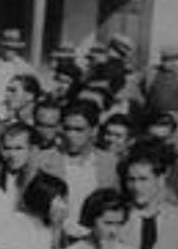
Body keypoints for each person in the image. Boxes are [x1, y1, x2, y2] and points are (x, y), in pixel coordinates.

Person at [34, 100, 119, 240]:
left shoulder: (109, 162)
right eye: (67, 129)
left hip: (94, 242)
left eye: (79, 129)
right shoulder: (43, 160)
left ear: (94, 130)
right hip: (54, 238)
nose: (71, 135)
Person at [0, 123, 41, 207]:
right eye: (7, 148)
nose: (12, 154)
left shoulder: (46, 184)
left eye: (18, 148)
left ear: (32, 149)